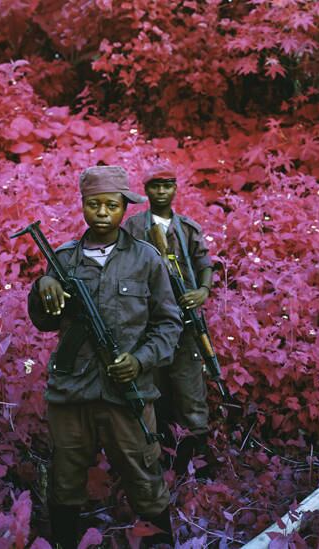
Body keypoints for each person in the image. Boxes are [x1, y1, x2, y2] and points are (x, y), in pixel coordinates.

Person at [27, 165, 182, 548]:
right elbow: (45, 322)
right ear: (82, 205)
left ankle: (160, 543)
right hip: (72, 392)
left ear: (124, 207)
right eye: (94, 204)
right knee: (66, 478)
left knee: (144, 476)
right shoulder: (63, 258)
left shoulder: (146, 260)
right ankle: (65, 541)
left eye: (111, 205)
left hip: (127, 392)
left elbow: (169, 325)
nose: (102, 212)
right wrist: (43, 285)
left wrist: (140, 360)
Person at [121, 164, 217, 476]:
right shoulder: (134, 227)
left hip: (185, 324)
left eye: (167, 185)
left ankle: (198, 466)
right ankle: (160, 462)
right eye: (155, 186)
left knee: (190, 393)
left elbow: (205, 264)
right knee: (154, 392)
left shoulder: (188, 228)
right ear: (146, 190)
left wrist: (202, 291)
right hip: (148, 325)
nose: (161, 192)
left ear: (176, 188)